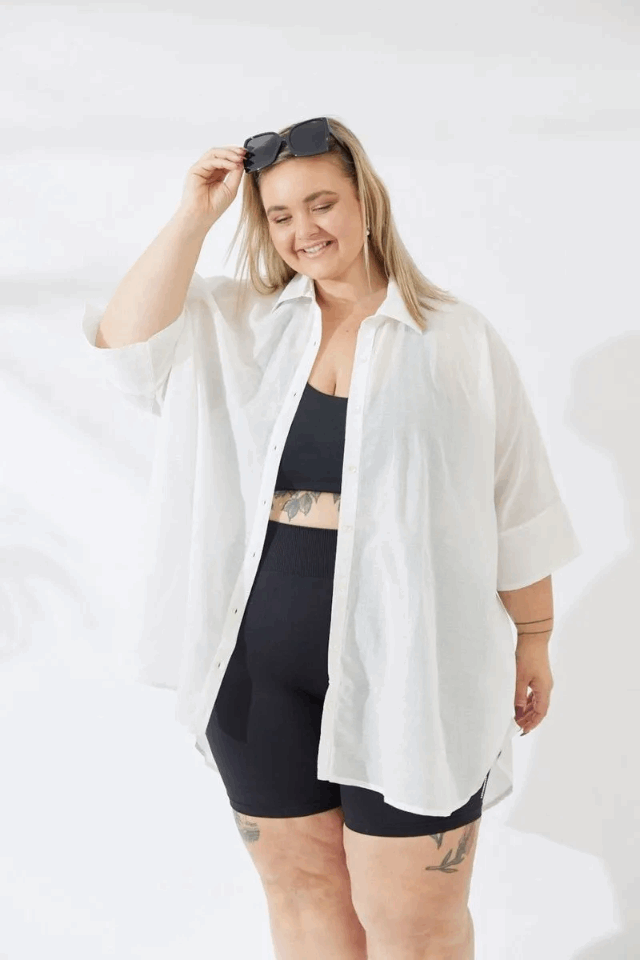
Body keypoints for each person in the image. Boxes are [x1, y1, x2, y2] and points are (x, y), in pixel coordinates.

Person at [82, 116, 582, 959]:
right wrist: (194, 216)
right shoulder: (235, 321)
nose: (304, 230)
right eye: (280, 215)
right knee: (306, 900)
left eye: (322, 203)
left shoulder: (455, 338)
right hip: (253, 666)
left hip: (415, 665)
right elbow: (124, 347)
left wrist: (534, 636)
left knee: (416, 923)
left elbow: (516, 500)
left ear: (365, 202)